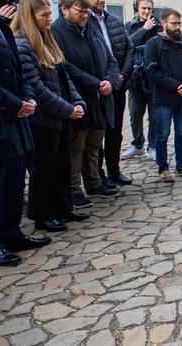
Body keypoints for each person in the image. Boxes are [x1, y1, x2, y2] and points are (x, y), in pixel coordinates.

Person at [13, 0, 89, 232]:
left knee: (61, 165)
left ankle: (63, 207)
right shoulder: (24, 45)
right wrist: (67, 108)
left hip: (61, 115)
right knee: (44, 168)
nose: (49, 19)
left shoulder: (48, 41)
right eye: (44, 15)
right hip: (42, 118)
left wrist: (77, 102)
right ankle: (42, 215)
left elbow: (64, 77)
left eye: (49, 14)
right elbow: (37, 88)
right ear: (30, 17)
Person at [0, 3, 52, 266]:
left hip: (14, 120)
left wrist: (27, 95)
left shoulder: (1, 27)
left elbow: (17, 71)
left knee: (14, 181)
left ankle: (11, 231)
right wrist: (14, 103)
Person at [52, 0, 120, 209]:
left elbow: (110, 57)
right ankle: (74, 190)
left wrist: (109, 78)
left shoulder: (91, 28)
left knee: (94, 143)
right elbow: (64, 65)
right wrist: (94, 82)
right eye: (80, 11)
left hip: (100, 96)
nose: (84, 15)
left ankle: (94, 182)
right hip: (78, 96)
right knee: (76, 146)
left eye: (86, 11)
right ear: (64, 9)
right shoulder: (57, 32)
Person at [145, 7, 182, 182]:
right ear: (164, 23)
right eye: (174, 23)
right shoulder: (154, 44)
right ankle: (163, 168)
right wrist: (176, 86)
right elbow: (153, 72)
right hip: (164, 98)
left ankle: (181, 165)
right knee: (163, 134)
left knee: (181, 133)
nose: (177, 27)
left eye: (179, 23)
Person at [88, 0, 134, 187]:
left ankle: (114, 170)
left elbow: (129, 49)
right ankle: (98, 176)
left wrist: (123, 74)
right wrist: (107, 79)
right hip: (99, 88)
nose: (100, 0)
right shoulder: (84, 22)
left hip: (117, 86)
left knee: (115, 132)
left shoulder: (113, 20)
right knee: (98, 135)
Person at [121, 0, 161, 160]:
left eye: (149, 9)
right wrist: (144, 29)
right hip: (136, 78)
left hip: (153, 77)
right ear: (137, 9)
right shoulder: (129, 26)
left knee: (154, 115)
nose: (146, 11)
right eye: (143, 8)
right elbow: (127, 44)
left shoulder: (158, 26)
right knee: (135, 113)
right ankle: (137, 144)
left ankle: (153, 145)